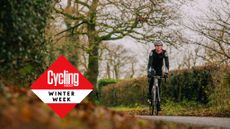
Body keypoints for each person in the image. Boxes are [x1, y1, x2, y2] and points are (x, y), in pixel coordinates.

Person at [147, 40, 169, 111]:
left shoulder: (165, 53)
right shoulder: (152, 52)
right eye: (157, 46)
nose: (158, 47)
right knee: (151, 82)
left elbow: (166, 63)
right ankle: (150, 96)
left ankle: (158, 104)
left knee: (158, 87)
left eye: (159, 46)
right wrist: (149, 72)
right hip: (152, 68)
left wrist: (166, 72)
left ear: (162, 47)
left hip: (159, 69)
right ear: (155, 47)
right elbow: (149, 63)